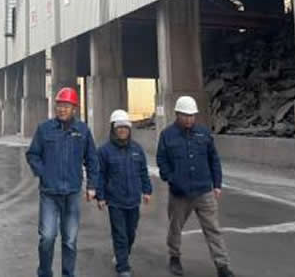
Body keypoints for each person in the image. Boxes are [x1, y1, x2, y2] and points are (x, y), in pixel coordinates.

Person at [156, 96, 234, 277]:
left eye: (192, 115)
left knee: (213, 229)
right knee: (175, 228)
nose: (189, 119)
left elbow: (213, 159)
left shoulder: (203, 133)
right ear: (177, 114)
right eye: (185, 115)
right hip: (179, 193)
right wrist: (171, 178)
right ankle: (174, 257)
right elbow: (162, 160)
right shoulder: (167, 135)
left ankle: (222, 265)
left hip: (204, 191)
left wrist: (217, 184)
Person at [26, 87, 99, 277]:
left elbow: (92, 159)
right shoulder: (44, 129)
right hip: (49, 193)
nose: (62, 109)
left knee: (70, 240)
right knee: (47, 237)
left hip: (72, 193)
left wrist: (92, 185)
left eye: (66, 106)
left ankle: (68, 274)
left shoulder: (82, 131)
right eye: (59, 105)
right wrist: (44, 173)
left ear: (74, 108)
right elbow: (33, 154)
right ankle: (44, 273)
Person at [96, 109, 152, 277]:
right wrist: (101, 197)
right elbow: (100, 175)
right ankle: (123, 267)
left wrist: (147, 190)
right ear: (113, 129)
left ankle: (122, 256)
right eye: (119, 127)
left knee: (130, 233)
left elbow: (143, 172)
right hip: (115, 201)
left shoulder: (137, 149)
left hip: (134, 199)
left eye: (125, 127)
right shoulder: (104, 151)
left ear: (129, 129)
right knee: (120, 234)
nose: (122, 130)